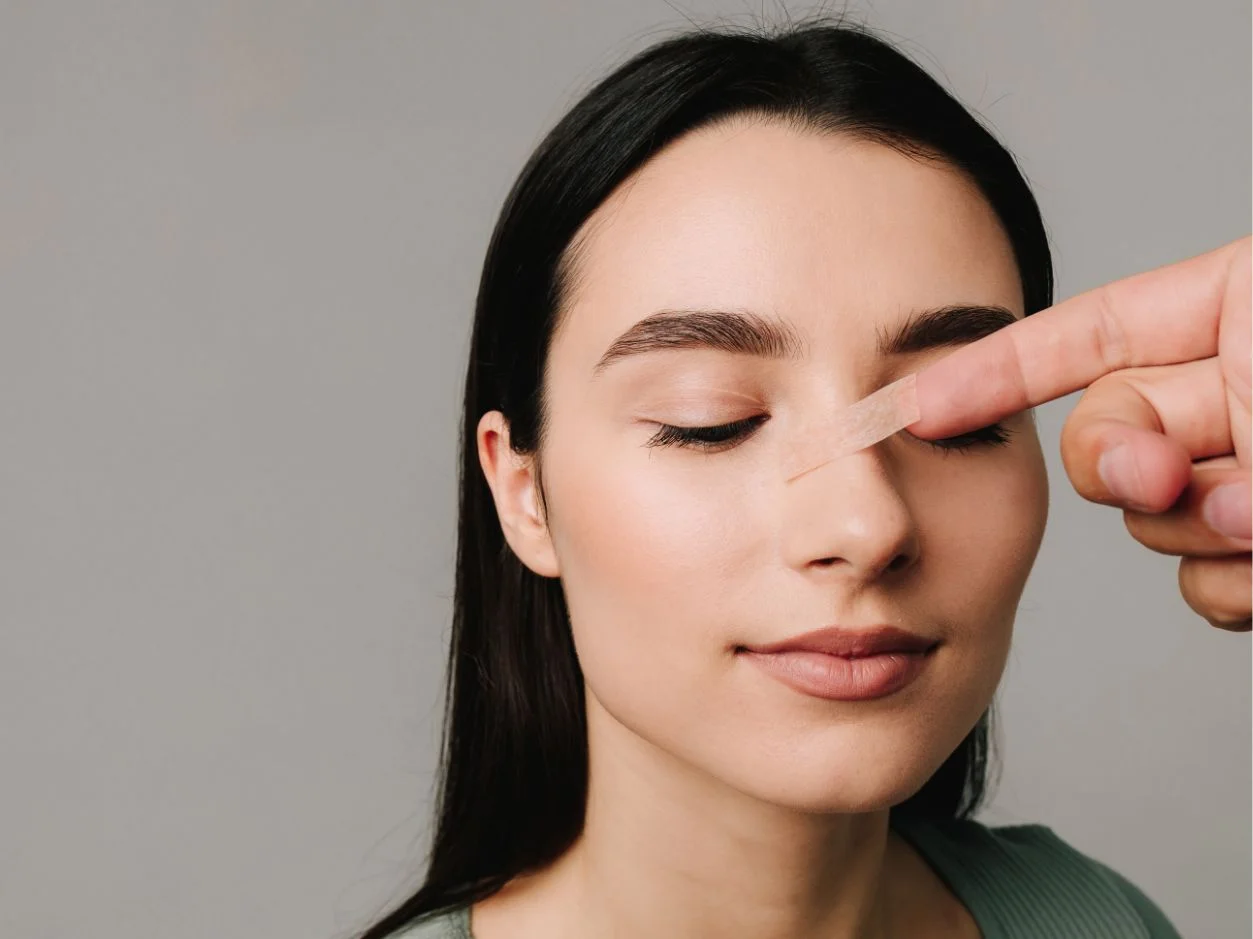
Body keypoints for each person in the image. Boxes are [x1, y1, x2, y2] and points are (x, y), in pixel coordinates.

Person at [353, 17, 1247, 939]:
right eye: (713, 421)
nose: (866, 523)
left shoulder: (1095, 921)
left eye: (959, 419)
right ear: (521, 491)